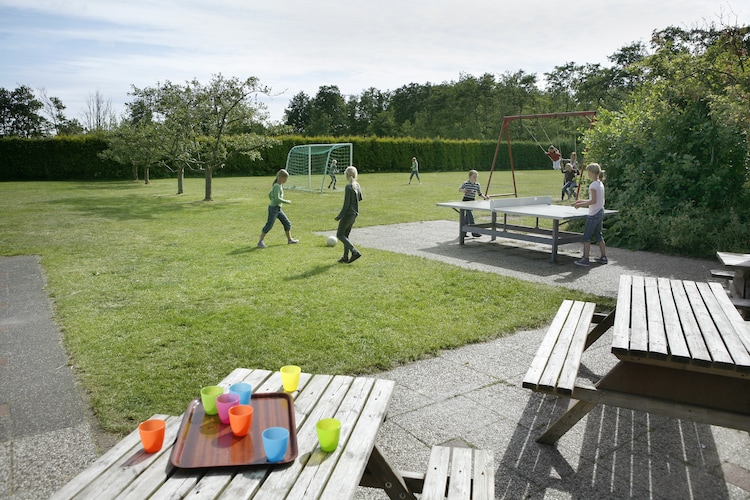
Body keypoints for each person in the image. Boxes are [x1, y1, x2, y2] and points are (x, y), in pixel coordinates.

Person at [573, 163, 608, 267]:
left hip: (593, 214)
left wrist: (580, 205)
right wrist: (581, 201)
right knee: (599, 236)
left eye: (588, 172)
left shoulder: (593, 185)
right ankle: (603, 257)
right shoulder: (600, 183)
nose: (588, 174)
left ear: (592, 173)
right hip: (600, 211)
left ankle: (585, 259)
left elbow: (593, 201)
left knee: (586, 237)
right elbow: (595, 200)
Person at [257, 169, 298, 248]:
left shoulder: (279, 185)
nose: (286, 180)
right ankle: (260, 242)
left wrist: (273, 200)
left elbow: (270, 194)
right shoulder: (276, 186)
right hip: (273, 209)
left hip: (278, 209)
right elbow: (277, 198)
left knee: (287, 223)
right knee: (269, 225)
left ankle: (290, 240)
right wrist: (286, 201)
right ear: (280, 178)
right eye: (285, 178)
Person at [335, 166, 363, 263]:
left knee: (339, 235)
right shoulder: (357, 185)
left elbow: (346, 204)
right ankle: (345, 257)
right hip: (355, 214)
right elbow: (360, 198)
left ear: (346, 175)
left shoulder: (348, 187)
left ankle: (354, 251)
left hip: (348, 214)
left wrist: (339, 216)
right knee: (345, 235)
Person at [459, 169, 489, 237]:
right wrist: (463, 190)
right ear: (469, 177)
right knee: (471, 217)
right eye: (474, 177)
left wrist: (485, 197)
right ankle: (474, 232)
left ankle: (463, 233)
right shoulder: (465, 183)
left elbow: (480, 194)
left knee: (467, 217)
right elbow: (459, 189)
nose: (475, 178)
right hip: (466, 201)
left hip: (472, 201)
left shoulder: (477, 185)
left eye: (476, 177)